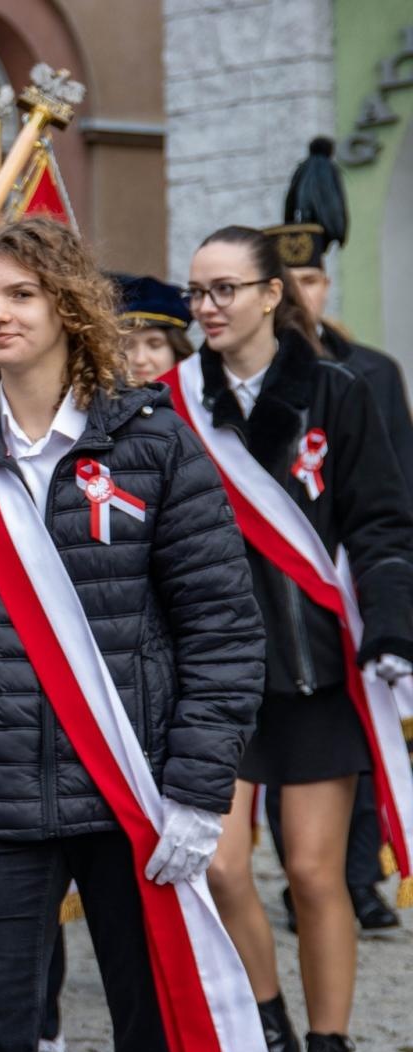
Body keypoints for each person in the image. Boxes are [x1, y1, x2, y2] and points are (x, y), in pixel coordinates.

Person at [0, 217, 266, 1052]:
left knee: (152, 1027)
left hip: (136, 790)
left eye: (20, 294)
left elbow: (221, 629)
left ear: (67, 305)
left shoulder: (154, 442)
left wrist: (201, 792)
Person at [181, 225, 413, 1052]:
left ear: (272, 296)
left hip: (315, 667)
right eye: (197, 292)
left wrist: (391, 627)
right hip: (215, 675)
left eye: (224, 290)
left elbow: (384, 522)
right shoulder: (174, 403)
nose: (206, 307)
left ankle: (327, 1045)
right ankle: (267, 1020)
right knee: (219, 867)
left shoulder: (341, 394)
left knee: (318, 876)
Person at [261, 138, 413, 935]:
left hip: (356, 577)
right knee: (292, 750)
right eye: (291, 283)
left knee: (361, 737)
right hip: (281, 579)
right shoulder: (250, 379)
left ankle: (356, 877)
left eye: (315, 280)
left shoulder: (375, 371)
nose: (304, 296)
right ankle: (304, 879)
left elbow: (395, 488)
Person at [112, 273, 192, 383]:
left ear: (176, 351)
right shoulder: (94, 399)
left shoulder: (198, 398)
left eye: (155, 345)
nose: (140, 360)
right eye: (127, 345)